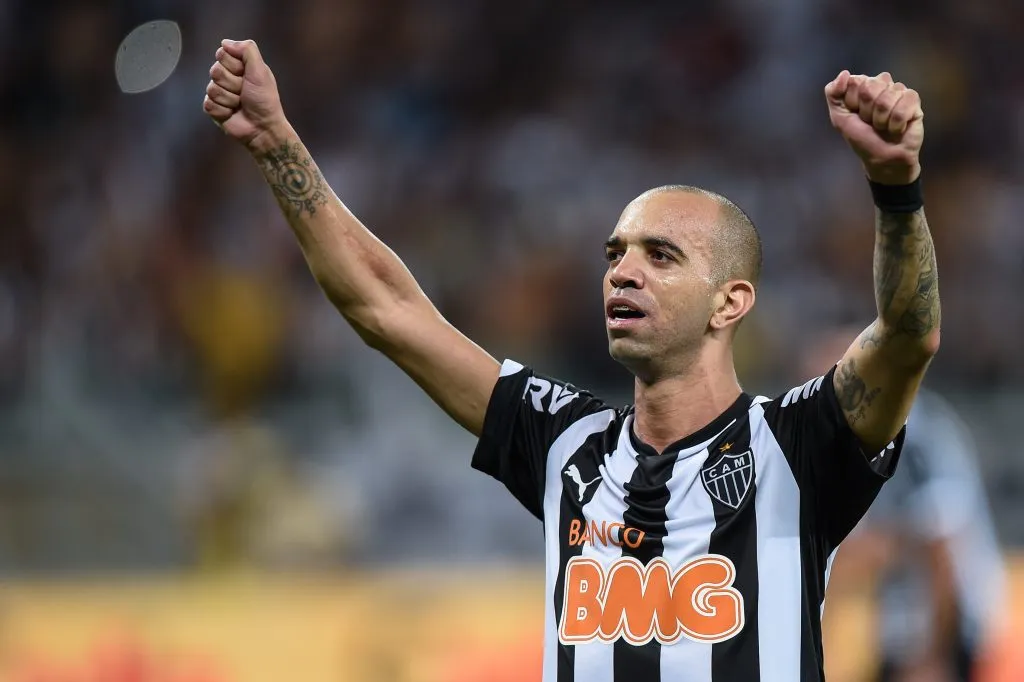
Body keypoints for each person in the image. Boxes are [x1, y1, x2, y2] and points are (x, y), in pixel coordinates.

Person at [203, 38, 941, 682]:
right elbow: (386, 311)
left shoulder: (795, 445)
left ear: (730, 303)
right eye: (615, 254)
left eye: (661, 256)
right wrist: (276, 145)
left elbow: (907, 337)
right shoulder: (566, 441)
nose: (623, 272)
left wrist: (895, 188)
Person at [804, 329, 1007, 682]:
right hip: (903, 629)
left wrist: (933, 657)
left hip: (950, 632)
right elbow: (854, 552)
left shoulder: (916, 435)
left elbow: (943, 550)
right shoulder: (855, 444)